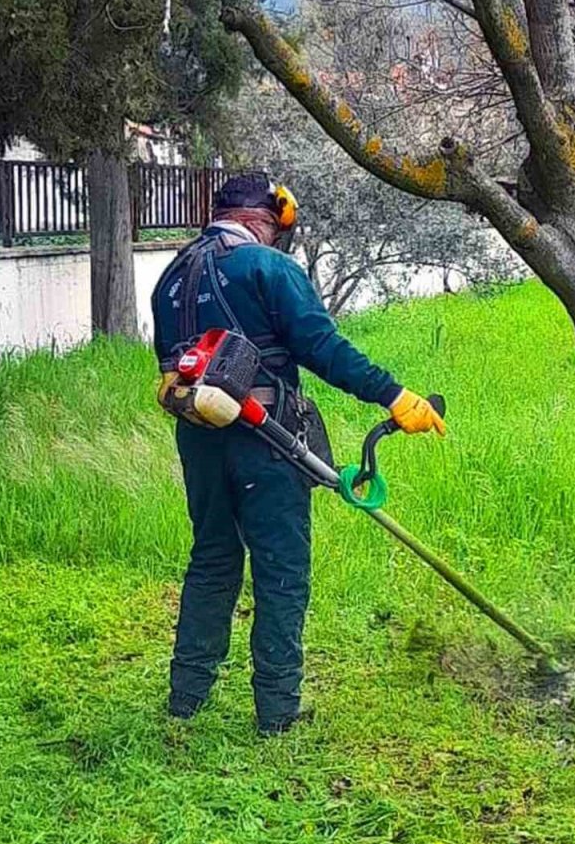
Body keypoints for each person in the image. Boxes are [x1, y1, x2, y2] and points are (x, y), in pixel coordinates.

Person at [151, 171, 445, 735]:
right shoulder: (268, 266)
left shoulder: (172, 274)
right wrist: (395, 395)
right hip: (266, 440)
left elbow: (170, 362)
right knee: (281, 569)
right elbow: (322, 348)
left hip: (198, 437)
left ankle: (186, 700)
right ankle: (277, 714)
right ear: (265, 220)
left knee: (212, 558)